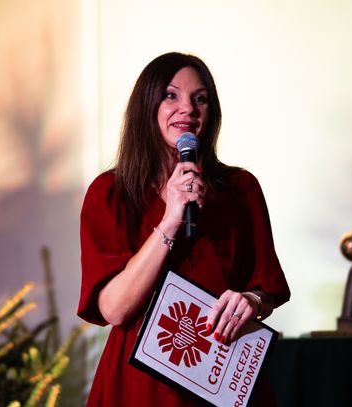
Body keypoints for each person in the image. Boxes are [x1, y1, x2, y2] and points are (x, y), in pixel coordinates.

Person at [77, 52, 290, 406]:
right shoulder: (111, 193)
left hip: (220, 374)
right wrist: (170, 220)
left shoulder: (241, 189)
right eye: (171, 95)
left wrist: (251, 301)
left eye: (200, 99)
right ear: (146, 106)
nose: (188, 109)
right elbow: (114, 310)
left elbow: (265, 289)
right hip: (140, 385)